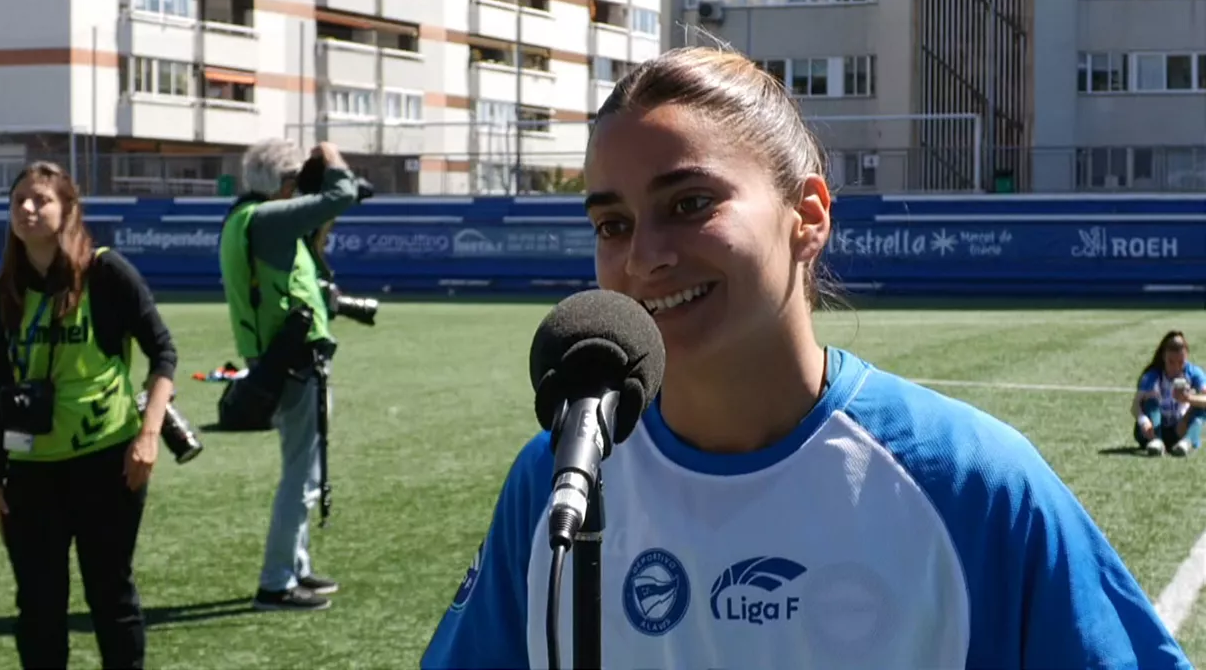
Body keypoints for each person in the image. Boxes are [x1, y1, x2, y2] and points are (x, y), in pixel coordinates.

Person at [420, 47, 1191, 669]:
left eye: (689, 204)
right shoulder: (561, 482)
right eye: (611, 224)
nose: (644, 257)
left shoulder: (974, 482)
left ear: (808, 218)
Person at [0, 161, 177, 669]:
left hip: (107, 462)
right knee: (38, 608)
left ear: (67, 209)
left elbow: (164, 354)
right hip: (30, 470)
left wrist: (149, 436)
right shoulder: (5, 291)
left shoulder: (106, 273)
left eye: (41, 199)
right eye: (18, 199)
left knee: (109, 598)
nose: (27, 208)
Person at [219, 138, 364, 611]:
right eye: (294, 182)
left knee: (304, 472)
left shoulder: (247, 219)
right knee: (299, 478)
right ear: (283, 184)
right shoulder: (268, 220)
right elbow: (342, 194)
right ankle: (277, 581)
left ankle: (295, 566)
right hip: (293, 365)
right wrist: (330, 154)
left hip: (284, 363)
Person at [1132, 330, 1206, 456]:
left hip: (1180, 428)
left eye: (1181, 362)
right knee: (1151, 401)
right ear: (1164, 357)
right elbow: (1135, 405)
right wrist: (1143, 420)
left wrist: (1189, 398)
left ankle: (1186, 443)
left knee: (1201, 407)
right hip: (1153, 429)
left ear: (1186, 357)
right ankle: (1157, 442)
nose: (1176, 367)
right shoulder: (1153, 375)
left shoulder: (1193, 373)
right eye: (1171, 362)